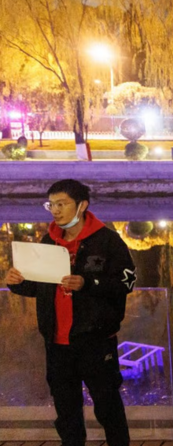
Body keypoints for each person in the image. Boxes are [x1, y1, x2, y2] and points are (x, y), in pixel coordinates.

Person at [5, 179, 136, 446]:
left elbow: (127, 282)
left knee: (108, 408)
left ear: (82, 205)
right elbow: (38, 288)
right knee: (67, 413)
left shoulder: (107, 241)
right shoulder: (47, 241)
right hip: (57, 343)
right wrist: (16, 282)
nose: (55, 210)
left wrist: (88, 283)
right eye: (50, 204)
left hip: (96, 341)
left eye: (61, 204)